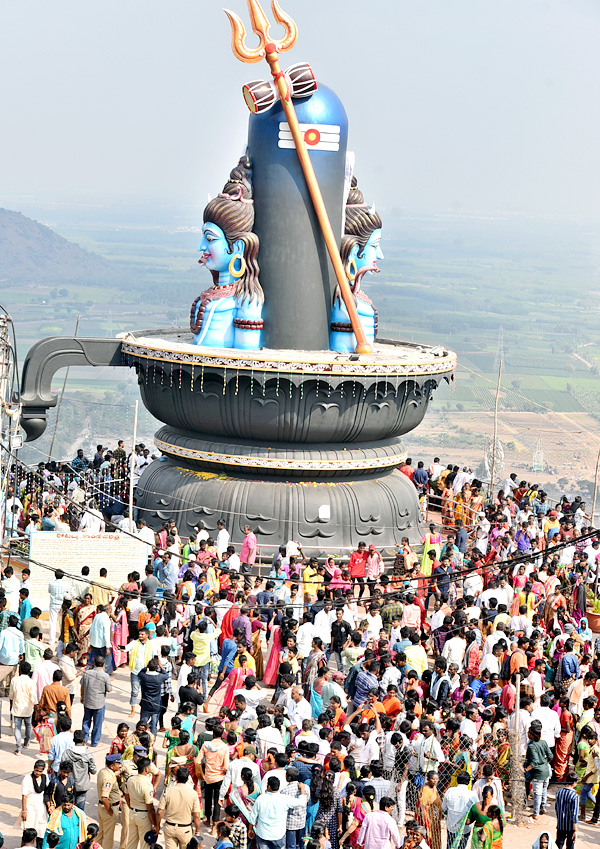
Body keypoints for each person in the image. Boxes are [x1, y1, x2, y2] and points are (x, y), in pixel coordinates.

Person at [246, 775, 307, 849]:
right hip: (278, 835)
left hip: (263, 834)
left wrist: (250, 829)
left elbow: (253, 817)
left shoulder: (260, 799)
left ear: (268, 786)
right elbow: (302, 802)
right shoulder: (284, 799)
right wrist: (302, 789)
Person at [156, 766, 202, 849]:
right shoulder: (193, 794)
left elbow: (159, 812)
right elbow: (196, 816)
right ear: (188, 779)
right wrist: (197, 832)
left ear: (176, 778)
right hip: (185, 829)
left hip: (170, 827)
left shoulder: (167, 791)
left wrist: (157, 826)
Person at [124, 757, 158, 849]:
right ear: (146, 769)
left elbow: (126, 795)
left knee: (131, 843)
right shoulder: (147, 784)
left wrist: (131, 807)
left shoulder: (130, 779)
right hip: (143, 816)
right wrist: (155, 824)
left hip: (132, 813)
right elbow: (150, 808)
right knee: (145, 844)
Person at [61, 730, 97, 811]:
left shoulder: (67, 753)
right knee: (80, 810)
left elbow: (62, 769)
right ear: (84, 740)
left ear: (73, 740)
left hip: (69, 785)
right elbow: (94, 771)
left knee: (68, 809)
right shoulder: (88, 754)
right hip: (82, 786)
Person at [81, 657, 112, 747]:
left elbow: (82, 686)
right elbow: (109, 690)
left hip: (88, 701)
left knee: (86, 722)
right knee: (97, 724)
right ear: (103, 665)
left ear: (94, 664)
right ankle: (95, 742)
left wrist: (82, 696)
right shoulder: (105, 676)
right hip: (99, 703)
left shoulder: (87, 673)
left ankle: (84, 741)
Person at [442, 771, 478, 849]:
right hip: (464, 828)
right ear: (468, 782)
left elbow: (443, 807)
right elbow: (477, 810)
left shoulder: (450, 791)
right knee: (461, 847)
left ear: (457, 780)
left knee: (450, 845)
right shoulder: (472, 795)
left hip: (451, 826)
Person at [10, 660, 37, 755]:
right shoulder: (32, 682)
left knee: (17, 728)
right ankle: (27, 742)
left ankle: (18, 748)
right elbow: (34, 698)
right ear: (29, 671)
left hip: (17, 707)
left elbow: (11, 695)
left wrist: (11, 705)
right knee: (28, 725)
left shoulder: (14, 680)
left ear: (20, 670)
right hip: (28, 708)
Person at [96, 753, 123, 849]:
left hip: (102, 807)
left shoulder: (103, 771)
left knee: (101, 833)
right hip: (108, 807)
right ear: (112, 766)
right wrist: (110, 811)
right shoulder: (109, 778)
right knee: (108, 836)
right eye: (118, 764)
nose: (120, 765)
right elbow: (104, 797)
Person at [138, 658, 169, 736]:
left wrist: (146, 666)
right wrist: (161, 667)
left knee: (142, 725)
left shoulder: (144, 676)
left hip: (145, 704)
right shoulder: (159, 677)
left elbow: (140, 672)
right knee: (153, 726)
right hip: (156, 705)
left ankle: (141, 741)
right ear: (157, 668)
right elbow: (166, 675)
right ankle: (152, 743)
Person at [21, 760, 48, 840]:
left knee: (41, 830)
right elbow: (24, 796)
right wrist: (24, 811)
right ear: (34, 768)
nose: (38, 773)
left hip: (41, 808)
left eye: (40, 771)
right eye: (36, 770)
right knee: (29, 832)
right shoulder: (27, 779)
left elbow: (47, 792)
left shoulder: (45, 778)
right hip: (30, 808)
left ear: (43, 771)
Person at [416, 772, 442, 849]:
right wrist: (425, 820)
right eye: (433, 779)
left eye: (437, 779)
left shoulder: (434, 788)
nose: (435, 781)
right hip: (427, 816)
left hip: (434, 816)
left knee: (435, 836)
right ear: (428, 779)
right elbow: (422, 806)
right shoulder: (425, 790)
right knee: (428, 835)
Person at [555, 772, 579, 849]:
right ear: (574, 783)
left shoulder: (559, 793)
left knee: (558, 845)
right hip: (570, 827)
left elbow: (557, 808)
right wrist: (576, 829)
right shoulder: (575, 796)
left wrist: (559, 821)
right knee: (570, 846)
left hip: (561, 825)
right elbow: (574, 814)